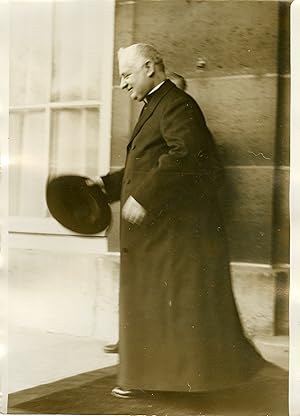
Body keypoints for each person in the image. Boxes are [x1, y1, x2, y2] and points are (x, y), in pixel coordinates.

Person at [91, 43, 266, 398]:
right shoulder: (157, 105)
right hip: (159, 231)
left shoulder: (176, 104)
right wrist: (105, 185)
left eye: (126, 75)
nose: (122, 84)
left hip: (171, 233)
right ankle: (145, 378)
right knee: (151, 306)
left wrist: (145, 197)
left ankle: (155, 380)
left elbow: (185, 155)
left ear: (150, 68)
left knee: (164, 308)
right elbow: (146, 163)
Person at [103, 70, 188, 356]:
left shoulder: (181, 123)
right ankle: (130, 342)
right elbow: (137, 169)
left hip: (169, 227)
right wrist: (103, 186)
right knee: (141, 289)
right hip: (144, 222)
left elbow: (179, 171)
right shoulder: (150, 121)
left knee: (161, 294)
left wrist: (145, 197)